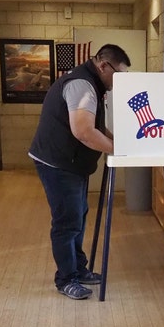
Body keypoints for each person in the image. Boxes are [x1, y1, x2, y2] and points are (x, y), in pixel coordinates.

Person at [28, 44, 131, 299]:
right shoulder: (82, 85)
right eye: (119, 74)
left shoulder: (90, 82)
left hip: (71, 162)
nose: (120, 81)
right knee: (67, 222)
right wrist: (117, 150)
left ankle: (78, 269)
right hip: (58, 162)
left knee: (78, 216)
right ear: (104, 66)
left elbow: (95, 126)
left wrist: (119, 143)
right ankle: (66, 279)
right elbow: (83, 131)